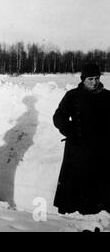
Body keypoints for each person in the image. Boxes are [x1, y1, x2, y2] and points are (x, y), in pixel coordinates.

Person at [53, 63, 110, 215]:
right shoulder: (72, 96)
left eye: (97, 78)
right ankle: (72, 212)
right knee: (75, 183)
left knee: (100, 184)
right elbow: (59, 116)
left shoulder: (107, 97)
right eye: (90, 79)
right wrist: (70, 130)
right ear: (83, 79)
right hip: (77, 149)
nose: (94, 82)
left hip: (101, 149)